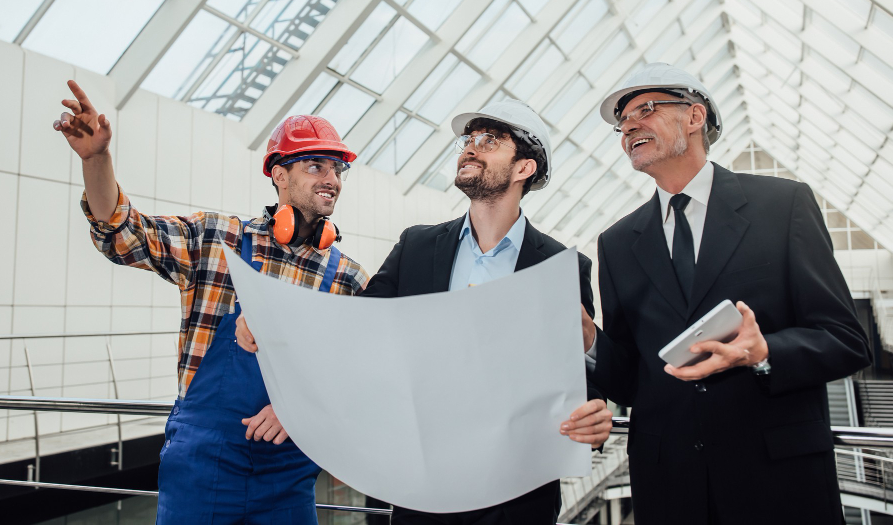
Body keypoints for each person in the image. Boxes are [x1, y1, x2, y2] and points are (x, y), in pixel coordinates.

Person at [240, 98, 612, 524]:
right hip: (422, 494)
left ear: (524, 168)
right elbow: (354, 333)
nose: (470, 147)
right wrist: (275, 325)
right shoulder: (417, 248)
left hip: (518, 500)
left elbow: (580, 382)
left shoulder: (562, 267)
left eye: (489, 140)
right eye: (469, 139)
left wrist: (594, 417)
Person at [53, 80, 368, 524]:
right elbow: (124, 233)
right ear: (279, 174)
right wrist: (96, 158)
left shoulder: (349, 279)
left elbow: (362, 376)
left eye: (338, 169)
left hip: (289, 473)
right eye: (316, 166)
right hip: (202, 466)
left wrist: (298, 409)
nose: (332, 179)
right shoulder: (218, 239)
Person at [583, 63, 871, 524]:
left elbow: (846, 339)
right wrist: (589, 340)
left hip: (778, 485)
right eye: (623, 121)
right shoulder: (616, 243)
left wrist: (763, 352)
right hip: (670, 490)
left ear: (695, 117)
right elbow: (630, 380)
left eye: (646, 109)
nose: (629, 126)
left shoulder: (784, 207)